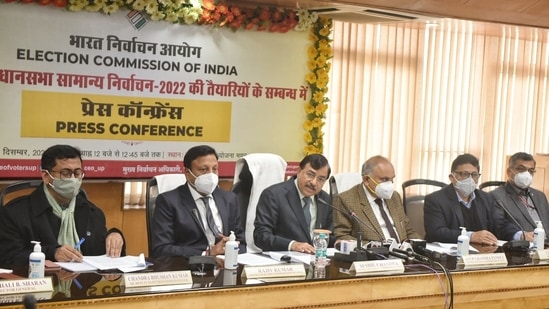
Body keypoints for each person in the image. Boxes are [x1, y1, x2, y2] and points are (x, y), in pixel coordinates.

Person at [0, 145, 125, 267]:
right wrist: (52, 253)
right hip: (38, 284)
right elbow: (8, 258)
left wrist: (114, 236)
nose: (73, 179)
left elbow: (101, 256)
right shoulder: (15, 214)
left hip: (81, 285)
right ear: (46, 176)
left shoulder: (92, 212)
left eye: (77, 173)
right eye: (65, 173)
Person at [151, 145, 246, 257]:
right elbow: (161, 249)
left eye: (214, 169)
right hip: (189, 267)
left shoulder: (229, 199)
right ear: (187, 172)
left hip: (226, 264)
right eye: (203, 170)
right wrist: (207, 254)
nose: (211, 175)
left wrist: (231, 246)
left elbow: (242, 243)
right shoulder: (168, 201)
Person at [424, 153, 516, 244]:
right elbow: (435, 233)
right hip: (450, 253)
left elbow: (499, 225)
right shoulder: (435, 200)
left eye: (474, 175)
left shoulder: (486, 198)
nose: (470, 179)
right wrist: (470, 236)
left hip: (482, 253)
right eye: (465, 174)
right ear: (452, 177)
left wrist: (520, 235)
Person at [254, 154, 334, 253]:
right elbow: (261, 236)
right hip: (284, 262)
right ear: (299, 171)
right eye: (310, 174)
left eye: (320, 179)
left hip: (315, 262)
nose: (314, 182)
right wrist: (292, 245)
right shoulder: (274, 195)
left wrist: (340, 242)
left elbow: (329, 235)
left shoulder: (325, 199)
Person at [333, 156, 420, 245]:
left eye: (392, 179)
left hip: (403, 254)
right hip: (374, 256)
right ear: (366, 180)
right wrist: (374, 247)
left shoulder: (394, 197)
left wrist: (421, 246)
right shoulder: (345, 200)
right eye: (384, 179)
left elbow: (407, 229)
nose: (389, 184)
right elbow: (342, 236)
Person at [490, 152, 549, 241]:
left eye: (531, 171)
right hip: (522, 249)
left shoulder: (540, 196)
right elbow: (499, 226)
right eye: (521, 169)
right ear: (509, 172)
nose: (527, 174)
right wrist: (521, 236)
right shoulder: (496, 196)